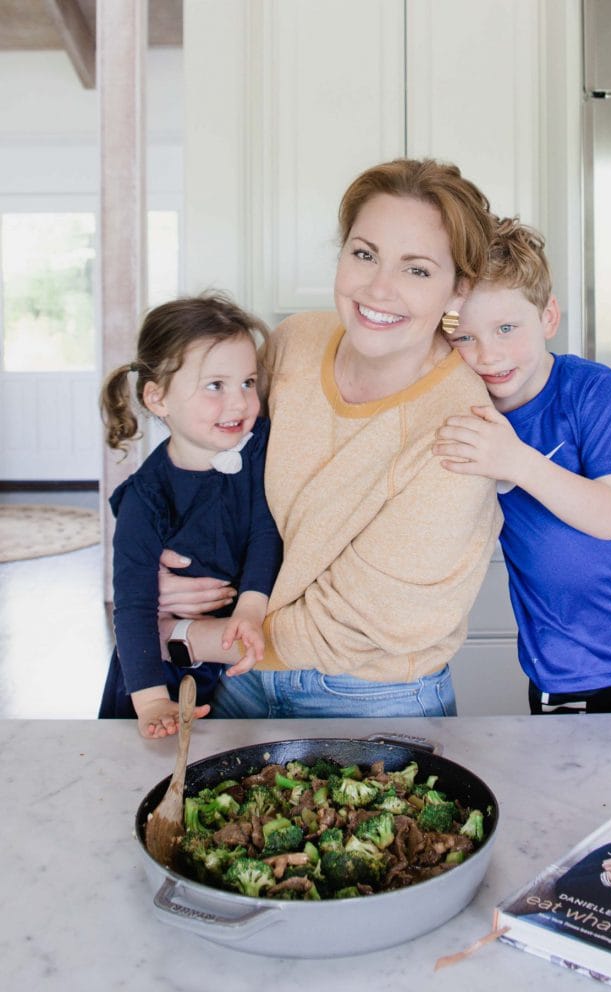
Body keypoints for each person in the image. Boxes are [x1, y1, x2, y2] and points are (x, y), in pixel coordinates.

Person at [156, 158, 502, 718]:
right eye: (364, 254)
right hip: (240, 674)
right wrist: (165, 566)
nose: (378, 288)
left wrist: (182, 634)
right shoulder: (297, 341)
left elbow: (366, 621)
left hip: (369, 694)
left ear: (457, 289)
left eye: (416, 270)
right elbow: (213, 456)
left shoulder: (460, 430)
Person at [433, 218, 611, 714]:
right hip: (563, 667)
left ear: (548, 317)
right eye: (465, 337)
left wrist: (515, 460)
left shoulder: (591, 389)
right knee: (573, 791)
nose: (488, 354)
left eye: (506, 328)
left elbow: (610, 516)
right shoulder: (464, 411)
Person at [98, 293, 283, 739]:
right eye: (215, 386)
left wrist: (252, 607)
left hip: (231, 667)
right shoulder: (147, 498)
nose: (239, 403)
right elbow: (134, 605)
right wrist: (151, 699)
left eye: (247, 382)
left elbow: (266, 529)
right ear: (158, 398)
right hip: (159, 675)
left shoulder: (261, 447)